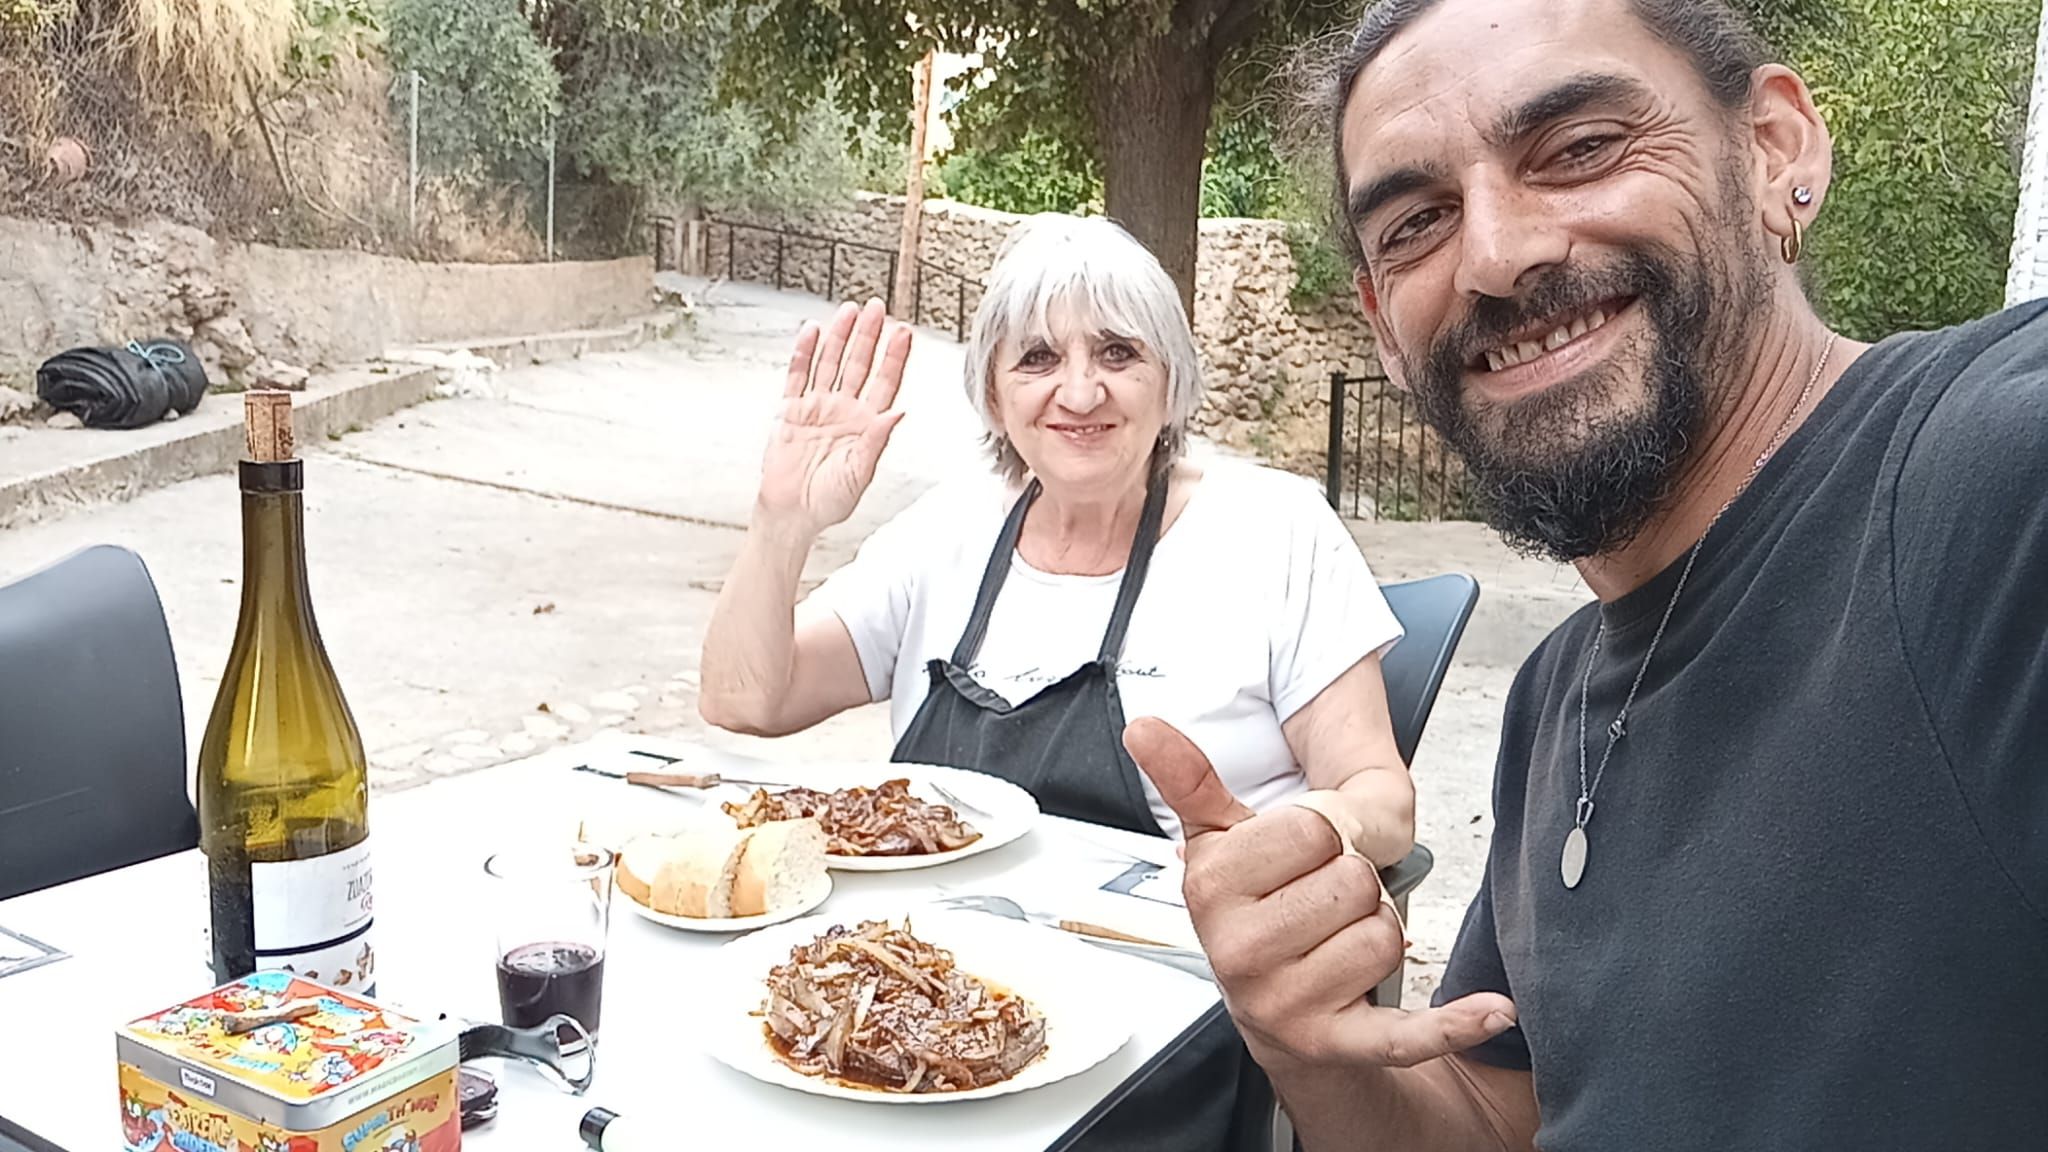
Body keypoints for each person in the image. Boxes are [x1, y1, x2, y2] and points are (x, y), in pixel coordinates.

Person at [1124, 0, 2048, 1149]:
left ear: (1772, 151)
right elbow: (1488, 1119)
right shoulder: (1554, 695)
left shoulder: (1990, 485)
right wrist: (1295, 1037)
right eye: (1415, 222)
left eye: (1577, 150)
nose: (1497, 255)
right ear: (1379, 326)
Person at [699, 212, 1414, 861]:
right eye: (1037, 359)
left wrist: (1293, 844)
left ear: (1171, 383)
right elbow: (745, 701)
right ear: (992, 395)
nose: (1079, 394)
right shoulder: (946, 530)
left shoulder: (1274, 530)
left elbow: (1378, 799)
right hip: (951, 971)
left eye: (1117, 354)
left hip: (1193, 960)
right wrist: (781, 522)